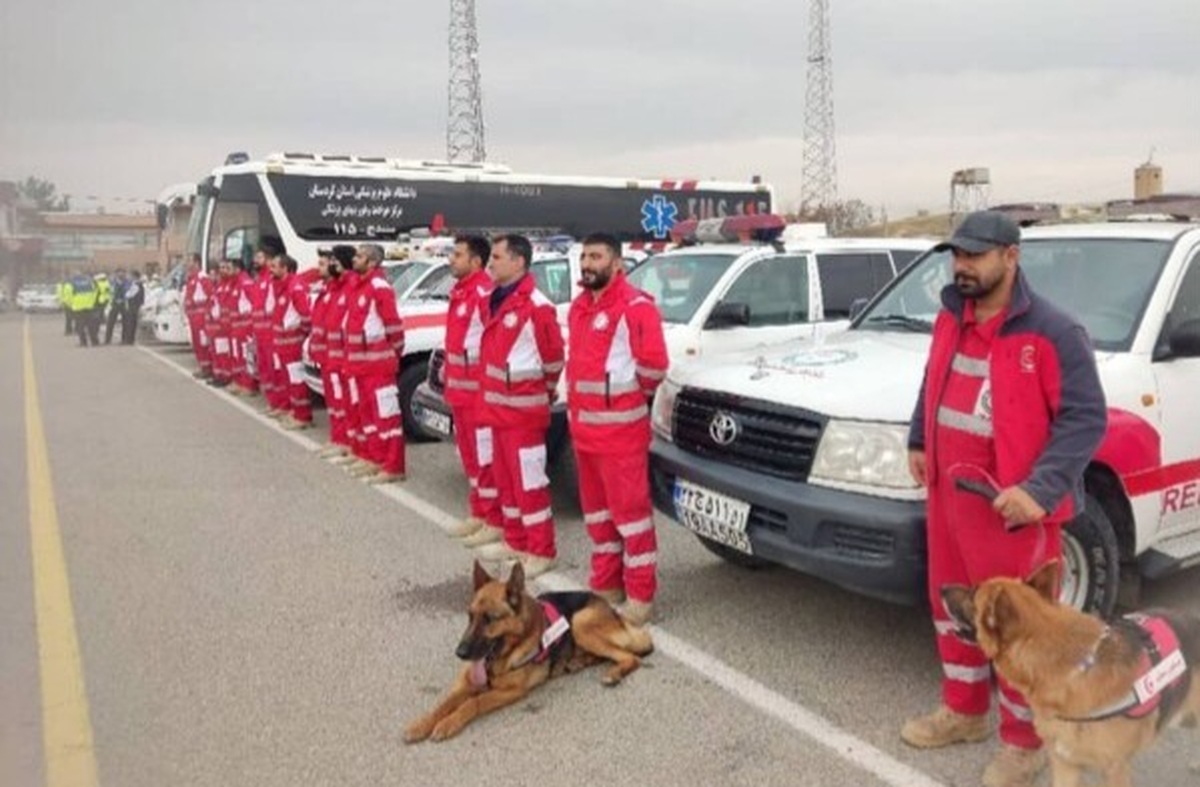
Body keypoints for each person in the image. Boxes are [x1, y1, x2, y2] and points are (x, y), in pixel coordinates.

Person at [901, 211, 1107, 787]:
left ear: (1010, 257)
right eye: (956, 255)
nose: (961, 266)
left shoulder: (1053, 333)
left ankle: (1025, 741)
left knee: (1020, 627)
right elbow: (932, 380)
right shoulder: (951, 317)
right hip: (948, 497)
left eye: (975, 255)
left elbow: (1086, 419)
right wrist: (920, 438)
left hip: (1011, 510)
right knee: (953, 612)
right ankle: (964, 712)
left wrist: (1040, 490)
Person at [566, 233, 668, 625]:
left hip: (621, 435)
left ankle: (640, 596)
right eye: (584, 256)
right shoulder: (579, 307)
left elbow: (654, 367)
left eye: (596, 256)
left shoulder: (636, 307)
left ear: (618, 264)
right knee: (598, 517)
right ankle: (607, 584)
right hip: (585, 434)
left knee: (631, 518)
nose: (588, 263)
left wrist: (622, 401)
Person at [471, 234, 564, 579]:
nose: (490, 263)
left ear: (518, 262)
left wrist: (544, 389)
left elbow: (554, 358)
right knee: (507, 480)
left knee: (529, 482)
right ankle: (515, 539)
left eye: (496, 257)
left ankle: (541, 548)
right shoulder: (494, 299)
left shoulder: (537, 306)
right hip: (496, 410)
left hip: (523, 414)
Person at [442, 235, 498, 541]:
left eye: (458, 254)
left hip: (478, 394)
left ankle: (493, 519)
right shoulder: (460, 292)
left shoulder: (482, 293)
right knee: (469, 456)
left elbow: (492, 343)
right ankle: (478, 512)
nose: (452, 259)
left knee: (484, 458)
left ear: (476, 261)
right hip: (459, 392)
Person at [343, 243, 406, 482]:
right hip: (360, 366)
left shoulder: (379, 287)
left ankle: (393, 467)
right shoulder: (360, 286)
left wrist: (392, 354)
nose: (354, 259)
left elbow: (393, 325)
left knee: (386, 417)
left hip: (378, 367)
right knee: (368, 417)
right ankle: (375, 458)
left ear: (371, 262)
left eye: (359, 256)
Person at [319, 245, 360, 463]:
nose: (331, 264)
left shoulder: (351, 286)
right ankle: (339, 439)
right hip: (331, 355)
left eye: (334, 260)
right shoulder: (334, 287)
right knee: (335, 401)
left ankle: (349, 443)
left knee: (347, 403)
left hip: (345, 356)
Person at [271, 254, 315, 429]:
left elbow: (305, 315)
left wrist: (301, 335)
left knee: (297, 380)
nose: (271, 269)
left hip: (292, 342)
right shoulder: (284, 287)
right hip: (284, 342)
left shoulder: (295, 288)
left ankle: (302, 416)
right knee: (290, 379)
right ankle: (295, 411)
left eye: (274, 266)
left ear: (285, 268)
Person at [251, 237, 287, 414]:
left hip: (271, 335)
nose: (255, 260)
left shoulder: (272, 279)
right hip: (261, 334)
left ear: (268, 259)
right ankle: (273, 403)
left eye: (259, 257)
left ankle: (282, 404)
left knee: (276, 371)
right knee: (265, 370)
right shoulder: (260, 279)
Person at [183, 255, 214, 379]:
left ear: (196, 262)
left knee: (203, 343)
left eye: (189, 261)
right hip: (193, 317)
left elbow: (210, 296)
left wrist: (207, 315)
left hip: (201, 317)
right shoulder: (191, 279)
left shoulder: (203, 278)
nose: (187, 264)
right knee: (197, 343)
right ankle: (203, 366)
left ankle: (208, 368)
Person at [206, 261, 235, 388]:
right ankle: (218, 375)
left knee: (224, 354)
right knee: (217, 354)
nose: (223, 271)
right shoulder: (218, 287)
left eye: (225, 268)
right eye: (221, 268)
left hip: (224, 327)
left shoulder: (229, 285)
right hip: (215, 328)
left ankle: (226, 377)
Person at [69, 271, 100, 346]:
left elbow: (68, 295)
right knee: (91, 325)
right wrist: (92, 302)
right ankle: (94, 341)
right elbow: (96, 291)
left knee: (80, 326)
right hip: (89, 306)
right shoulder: (90, 281)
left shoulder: (72, 283)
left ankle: (83, 342)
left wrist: (71, 304)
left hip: (78, 307)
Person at [104, 269, 128, 345]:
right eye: (119, 273)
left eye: (122, 273)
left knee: (125, 322)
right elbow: (110, 292)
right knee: (110, 322)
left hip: (124, 304)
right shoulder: (112, 283)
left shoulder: (127, 282)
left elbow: (128, 292)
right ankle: (107, 340)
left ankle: (124, 339)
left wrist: (123, 299)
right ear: (116, 274)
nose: (121, 274)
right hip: (114, 304)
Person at [120, 271, 145, 345]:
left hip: (133, 306)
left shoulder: (136, 285)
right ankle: (130, 339)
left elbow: (129, 294)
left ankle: (128, 340)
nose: (130, 277)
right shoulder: (139, 285)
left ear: (134, 276)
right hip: (136, 306)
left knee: (130, 323)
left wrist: (125, 294)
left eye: (131, 276)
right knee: (132, 323)